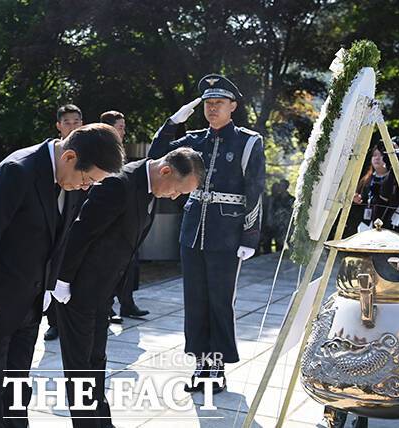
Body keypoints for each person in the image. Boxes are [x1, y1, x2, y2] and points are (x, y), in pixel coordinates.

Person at [0, 123, 125, 428]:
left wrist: (48, 286)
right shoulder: (17, 171)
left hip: (29, 301)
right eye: (87, 178)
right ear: (70, 157)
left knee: (17, 388)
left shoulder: (69, 181)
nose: (86, 187)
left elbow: (61, 237)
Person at [52, 147, 205, 427]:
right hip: (78, 290)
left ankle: (102, 422)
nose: (175, 197)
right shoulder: (118, 183)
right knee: (80, 368)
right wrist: (62, 280)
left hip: (102, 291)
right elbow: (81, 231)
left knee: (96, 360)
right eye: (178, 190)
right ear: (166, 171)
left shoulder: (149, 188)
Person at [148, 74, 266, 393]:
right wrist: (174, 122)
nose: (212, 108)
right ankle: (200, 364)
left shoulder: (248, 142)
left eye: (219, 103)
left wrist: (249, 236)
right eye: (208, 103)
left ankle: (216, 368)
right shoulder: (194, 140)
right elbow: (156, 157)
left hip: (226, 234)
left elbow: (255, 189)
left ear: (233, 106)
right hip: (193, 232)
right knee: (195, 301)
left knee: (220, 302)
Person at [100, 110, 150, 322]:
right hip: (109, 219)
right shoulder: (101, 151)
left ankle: (127, 304)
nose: (123, 132)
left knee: (130, 263)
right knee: (109, 265)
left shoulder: (120, 150)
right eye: (120, 127)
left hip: (128, 217)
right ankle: (107, 306)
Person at [44, 104, 85, 341]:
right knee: (52, 270)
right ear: (58, 126)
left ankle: (70, 319)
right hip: (53, 222)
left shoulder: (88, 152)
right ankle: (53, 322)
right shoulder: (49, 155)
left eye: (76, 121)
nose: (72, 126)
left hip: (77, 223)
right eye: (67, 122)